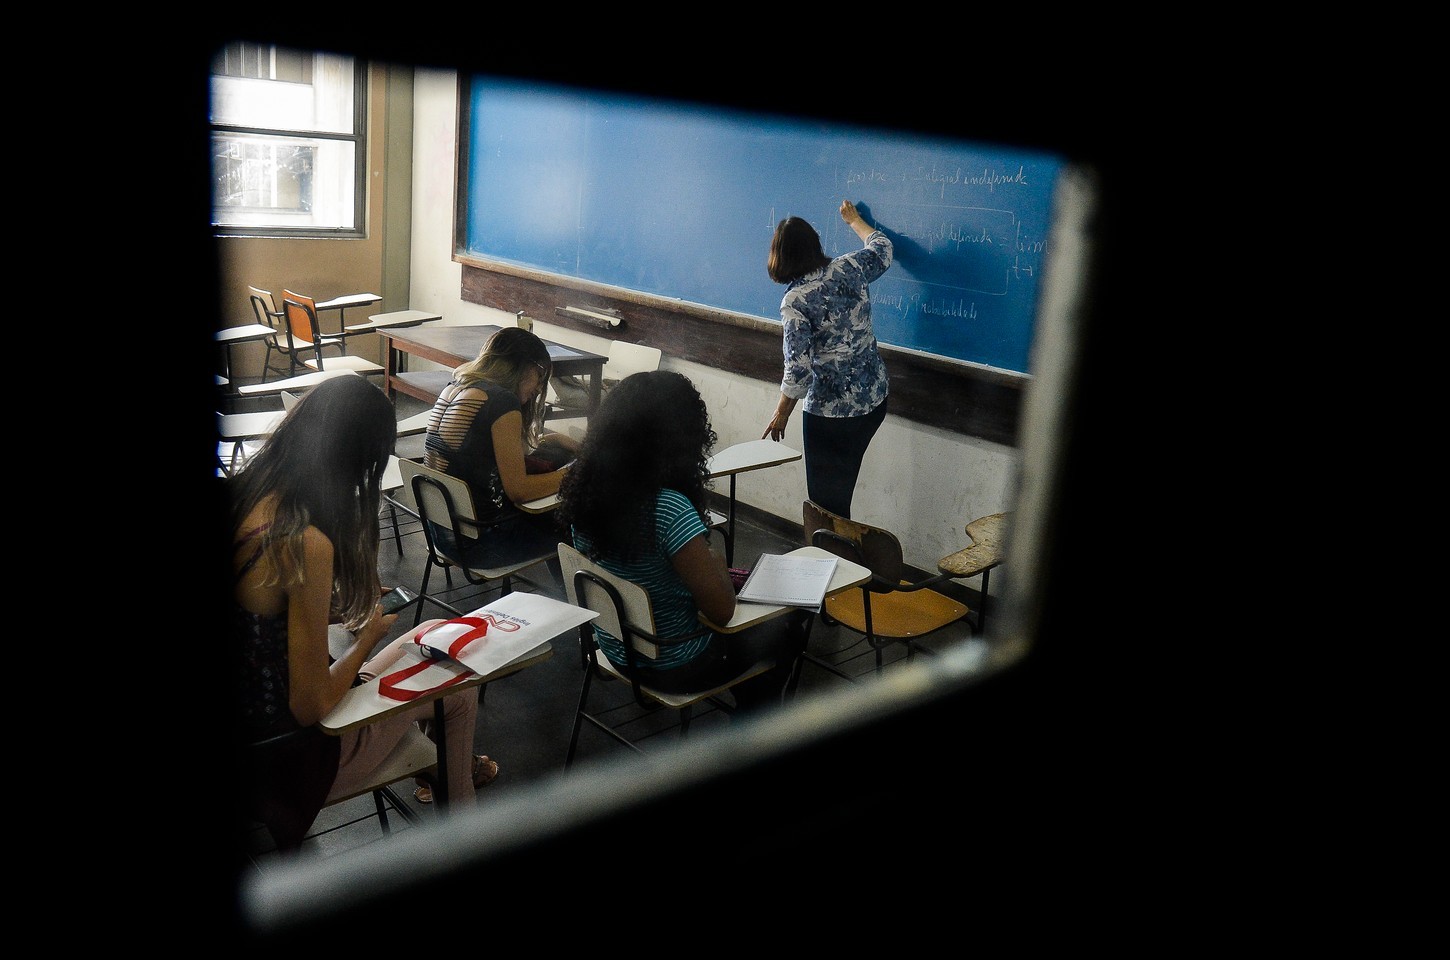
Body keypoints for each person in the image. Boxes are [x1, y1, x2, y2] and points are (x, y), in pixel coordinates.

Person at [230, 375, 497, 850]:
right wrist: (367, 636)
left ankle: (444, 769)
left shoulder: (245, 497)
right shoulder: (303, 541)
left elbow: (260, 619)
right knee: (459, 690)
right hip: (290, 762)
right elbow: (310, 705)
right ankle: (466, 823)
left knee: (432, 632)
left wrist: (327, 613)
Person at [556, 370, 809, 711]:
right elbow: (721, 612)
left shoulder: (585, 492)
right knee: (789, 623)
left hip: (619, 649)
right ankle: (754, 727)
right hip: (679, 664)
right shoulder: (668, 509)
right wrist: (717, 564)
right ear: (679, 438)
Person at [763, 199, 893, 518]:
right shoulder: (850, 266)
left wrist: (781, 414)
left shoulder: (794, 302)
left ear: (780, 255)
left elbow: (798, 371)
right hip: (874, 400)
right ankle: (846, 560)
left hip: (832, 415)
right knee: (839, 498)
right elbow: (883, 247)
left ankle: (838, 564)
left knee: (826, 509)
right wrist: (854, 221)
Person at [423, 325, 579, 569]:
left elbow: (481, 450)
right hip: (483, 543)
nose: (539, 388)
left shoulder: (457, 387)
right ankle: (576, 604)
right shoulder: (501, 401)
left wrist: (553, 439)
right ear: (527, 367)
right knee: (569, 526)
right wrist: (573, 474)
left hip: (445, 534)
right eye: (540, 377)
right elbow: (520, 491)